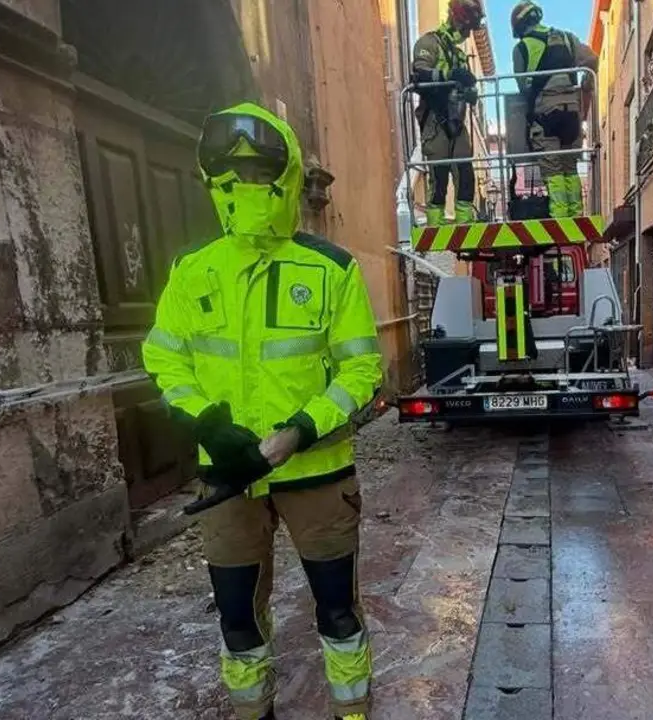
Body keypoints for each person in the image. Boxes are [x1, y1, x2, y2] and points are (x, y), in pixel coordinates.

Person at [142, 102, 383, 720]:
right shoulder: (192, 270)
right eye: (232, 172)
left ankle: (353, 711)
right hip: (227, 478)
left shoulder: (331, 269)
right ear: (212, 178)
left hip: (317, 474)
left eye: (258, 171)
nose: (245, 184)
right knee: (237, 616)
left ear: (288, 176)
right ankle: (254, 711)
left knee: (338, 611)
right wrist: (207, 422)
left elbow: (361, 369)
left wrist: (298, 431)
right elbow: (165, 358)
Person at [510, 1, 599, 218]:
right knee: (570, 168)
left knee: (553, 171)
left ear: (519, 25)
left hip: (545, 113)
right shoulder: (567, 38)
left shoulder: (521, 48)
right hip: (572, 114)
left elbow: (523, 87)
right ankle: (576, 216)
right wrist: (586, 86)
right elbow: (592, 60)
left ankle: (559, 219)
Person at [410, 0, 485, 226]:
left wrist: (470, 92)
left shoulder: (460, 55)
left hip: (457, 119)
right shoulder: (429, 43)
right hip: (435, 118)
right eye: (466, 27)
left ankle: (465, 221)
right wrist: (449, 76)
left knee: (465, 173)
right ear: (455, 18)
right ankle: (435, 222)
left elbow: (468, 90)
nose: (467, 33)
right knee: (439, 174)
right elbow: (420, 75)